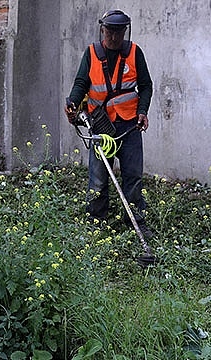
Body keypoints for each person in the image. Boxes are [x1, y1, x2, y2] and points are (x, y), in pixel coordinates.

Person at [64, 9, 154, 237]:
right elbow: (81, 82)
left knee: (133, 175)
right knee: (98, 177)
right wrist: (73, 102)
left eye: (118, 32)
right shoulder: (91, 53)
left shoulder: (134, 53)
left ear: (125, 31)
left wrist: (142, 111)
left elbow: (145, 86)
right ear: (102, 30)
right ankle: (95, 222)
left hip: (129, 125)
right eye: (109, 32)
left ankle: (135, 220)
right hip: (100, 126)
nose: (113, 37)